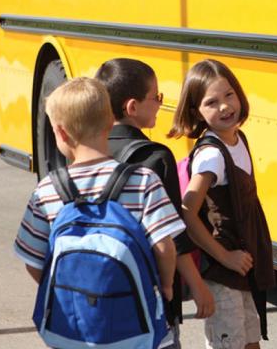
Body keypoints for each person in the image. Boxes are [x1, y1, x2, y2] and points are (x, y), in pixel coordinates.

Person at [13, 78, 183, 343]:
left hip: (74, 333)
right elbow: (164, 247)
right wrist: (167, 285)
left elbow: (34, 261)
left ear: (61, 133)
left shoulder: (47, 190)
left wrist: (75, 291)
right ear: (110, 122)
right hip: (137, 334)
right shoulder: (143, 180)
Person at [95, 58, 215, 348]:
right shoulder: (156, 158)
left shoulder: (89, 150)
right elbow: (171, 237)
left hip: (101, 290)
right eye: (156, 97)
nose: (160, 103)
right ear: (132, 107)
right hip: (151, 297)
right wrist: (196, 286)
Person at [169, 59, 274, 349]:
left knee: (250, 341)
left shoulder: (238, 139)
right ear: (196, 112)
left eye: (229, 95)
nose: (225, 106)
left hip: (241, 267)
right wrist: (225, 256)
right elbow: (187, 212)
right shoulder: (212, 156)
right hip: (222, 269)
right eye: (211, 102)